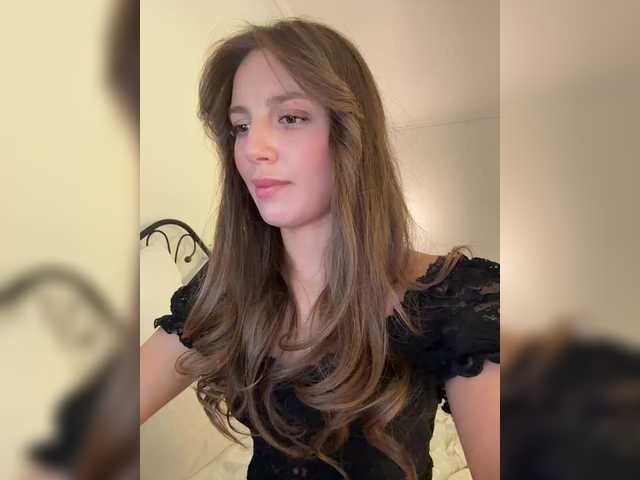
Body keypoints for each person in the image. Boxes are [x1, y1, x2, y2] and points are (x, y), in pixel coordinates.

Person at [140, 18, 500, 480]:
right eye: (241, 126)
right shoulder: (224, 288)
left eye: (290, 118)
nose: (252, 148)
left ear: (352, 136)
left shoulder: (458, 297)